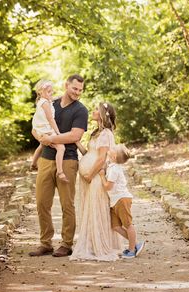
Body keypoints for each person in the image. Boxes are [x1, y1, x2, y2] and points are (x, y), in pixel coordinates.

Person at [29, 74, 88, 257]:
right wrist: (41, 138)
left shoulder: (81, 110)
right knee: (41, 203)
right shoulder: (49, 103)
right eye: (75, 88)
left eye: (80, 90)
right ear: (66, 86)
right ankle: (45, 243)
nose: (77, 92)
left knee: (67, 205)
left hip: (68, 160)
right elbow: (35, 127)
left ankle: (66, 243)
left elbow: (74, 136)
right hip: (46, 159)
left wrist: (51, 138)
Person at [69, 102, 122, 261]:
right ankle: (92, 242)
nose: (92, 111)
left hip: (96, 178)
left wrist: (90, 175)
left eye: (96, 110)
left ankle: (100, 245)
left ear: (102, 114)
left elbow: (100, 159)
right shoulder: (96, 133)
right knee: (90, 209)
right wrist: (77, 143)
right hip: (90, 177)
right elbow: (89, 153)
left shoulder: (106, 134)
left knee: (96, 209)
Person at [99, 144, 145, 259]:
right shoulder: (112, 166)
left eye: (113, 149)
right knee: (115, 226)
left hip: (121, 199)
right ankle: (134, 244)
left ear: (114, 156)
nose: (110, 148)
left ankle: (131, 250)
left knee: (128, 224)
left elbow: (108, 187)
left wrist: (101, 176)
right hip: (115, 201)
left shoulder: (115, 169)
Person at [31, 79, 68, 182]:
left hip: (41, 129)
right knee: (61, 148)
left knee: (42, 145)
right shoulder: (45, 103)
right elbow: (51, 119)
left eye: (52, 91)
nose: (51, 93)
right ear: (40, 92)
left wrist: (61, 96)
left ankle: (33, 163)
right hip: (46, 129)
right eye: (48, 91)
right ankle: (60, 172)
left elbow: (52, 98)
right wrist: (58, 133)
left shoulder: (43, 100)